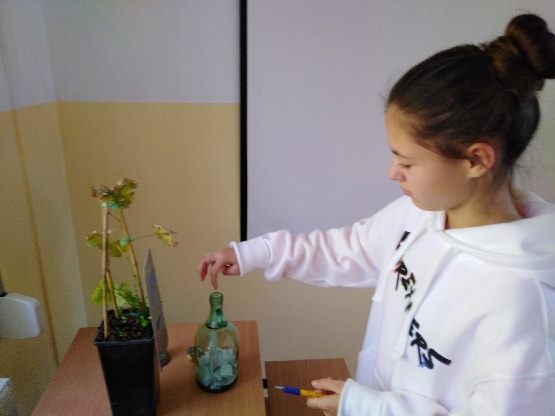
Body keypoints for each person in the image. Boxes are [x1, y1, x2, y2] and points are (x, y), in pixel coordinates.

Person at [198, 14, 555, 415]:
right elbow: (346, 249)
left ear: (476, 160)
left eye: (407, 162)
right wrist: (254, 253)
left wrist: (365, 406)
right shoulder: (419, 217)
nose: (392, 173)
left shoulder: (523, 301)